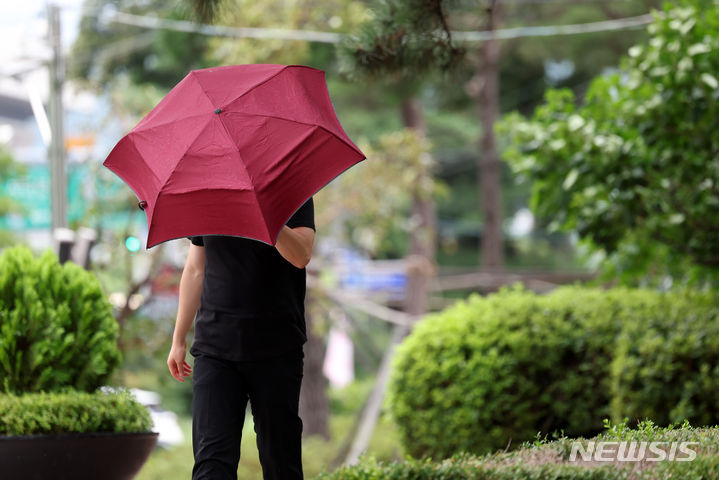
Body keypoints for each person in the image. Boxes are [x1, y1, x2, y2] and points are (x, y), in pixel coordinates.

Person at [167, 197, 316, 480]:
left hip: (277, 345)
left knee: (280, 461)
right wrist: (178, 340)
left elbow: (301, 255)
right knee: (211, 465)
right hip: (215, 347)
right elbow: (196, 268)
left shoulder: (292, 190)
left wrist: (263, 210)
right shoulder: (209, 192)